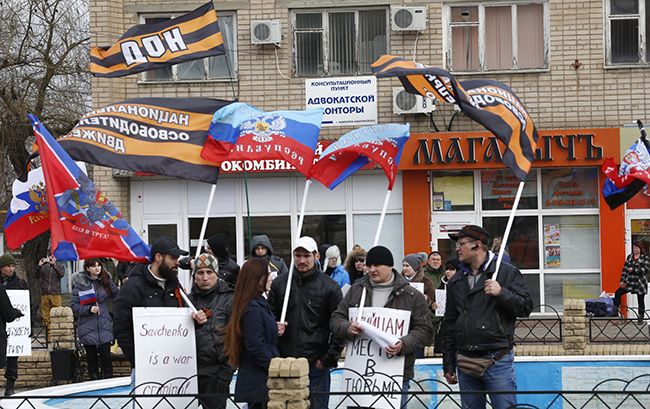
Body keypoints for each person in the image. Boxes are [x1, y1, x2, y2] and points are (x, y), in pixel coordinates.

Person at [441, 225, 533, 409]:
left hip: (497, 359)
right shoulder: (456, 281)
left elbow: (525, 307)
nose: (457, 249)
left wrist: (502, 293)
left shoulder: (506, 273)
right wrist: (448, 363)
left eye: (461, 243)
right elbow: (450, 323)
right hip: (465, 361)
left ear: (477, 244)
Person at [330, 245, 433, 399]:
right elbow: (336, 318)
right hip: (359, 376)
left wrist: (403, 344)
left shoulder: (411, 295)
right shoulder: (356, 290)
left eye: (377, 265)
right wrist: (347, 327)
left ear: (390, 266)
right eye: (369, 265)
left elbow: (425, 330)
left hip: (395, 377)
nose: (372, 269)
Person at [268, 236, 343, 409]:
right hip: (284, 365)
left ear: (316, 256)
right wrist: (274, 327)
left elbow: (339, 327)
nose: (301, 260)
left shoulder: (330, 287)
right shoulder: (280, 284)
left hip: (315, 366)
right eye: (298, 255)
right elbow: (268, 317)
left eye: (306, 256)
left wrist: (326, 359)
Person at [113, 236, 207, 370]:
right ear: (158, 257)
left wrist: (196, 321)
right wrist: (138, 360)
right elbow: (121, 327)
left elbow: (183, 321)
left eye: (178, 258)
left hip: (175, 365)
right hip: (145, 369)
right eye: (173, 258)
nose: (177, 263)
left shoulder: (175, 286)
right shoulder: (133, 287)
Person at [224, 258, 280, 409]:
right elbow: (255, 345)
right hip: (259, 380)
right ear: (258, 278)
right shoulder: (253, 308)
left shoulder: (257, 304)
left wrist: (274, 328)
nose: (271, 278)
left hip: (260, 378)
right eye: (267, 274)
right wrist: (276, 367)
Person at [189, 253, 235, 409]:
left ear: (217, 274)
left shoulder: (229, 299)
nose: (205, 277)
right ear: (194, 276)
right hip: (190, 370)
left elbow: (236, 337)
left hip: (218, 372)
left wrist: (227, 373)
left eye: (209, 272)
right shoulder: (187, 301)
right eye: (200, 273)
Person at [71, 258, 120, 380]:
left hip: (103, 323)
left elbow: (117, 294)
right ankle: (94, 382)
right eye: (93, 266)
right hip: (88, 325)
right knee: (91, 360)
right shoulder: (80, 284)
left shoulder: (105, 280)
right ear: (87, 268)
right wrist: (88, 309)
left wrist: (110, 282)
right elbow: (75, 305)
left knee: (106, 358)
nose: (97, 268)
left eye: (99, 265)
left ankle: (108, 383)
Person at [0, 254, 26, 396]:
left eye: (13, 266)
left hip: (16, 328)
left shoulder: (20, 284)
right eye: (7, 266)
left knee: (12, 359)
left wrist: (28, 325)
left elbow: (28, 304)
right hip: (4, 324)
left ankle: (10, 384)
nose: (11, 269)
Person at [614, 242, 650, 324]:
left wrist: (633, 270)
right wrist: (622, 280)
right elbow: (625, 269)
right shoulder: (630, 257)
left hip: (640, 282)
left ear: (640, 249)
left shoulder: (645, 258)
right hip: (630, 281)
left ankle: (640, 317)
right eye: (634, 248)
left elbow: (645, 270)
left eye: (636, 248)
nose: (635, 250)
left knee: (640, 300)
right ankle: (616, 312)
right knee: (618, 292)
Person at [37, 254, 64, 330]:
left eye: (53, 257)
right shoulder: (44, 266)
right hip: (44, 293)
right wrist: (39, 266)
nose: (51, 258)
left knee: (56, 314)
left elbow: (61, 274)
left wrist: (54, 265)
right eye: (50, 256)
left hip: (55, 293)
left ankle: (55, 332)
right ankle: (47, 333)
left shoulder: (59, 265)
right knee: (45, 316)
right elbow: (37, 275)